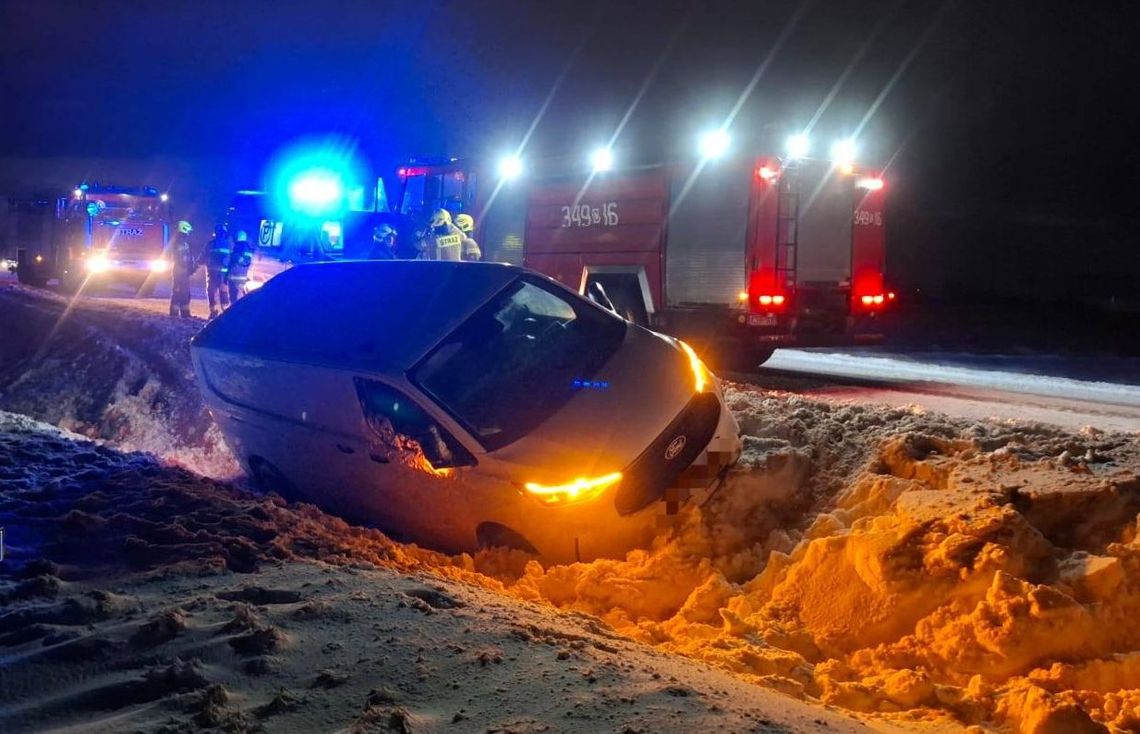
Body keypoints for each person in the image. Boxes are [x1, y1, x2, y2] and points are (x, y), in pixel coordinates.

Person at [168, 220, 198, 319]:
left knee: (185, 294)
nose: (189, 233)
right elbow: (181, 258)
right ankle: (174, 314)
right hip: (180, 272)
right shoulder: (179, 242)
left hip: (183, 271)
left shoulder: (183, 242)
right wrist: (190, 267)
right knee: (178, 292)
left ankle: (185, 314)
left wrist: (192, 266)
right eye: (188, 231)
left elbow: (187, 257)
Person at [204, 224, 232, 318]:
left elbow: (203, 257)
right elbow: (232, 260)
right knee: (223, 293)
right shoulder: (229, 245)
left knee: (212, 293)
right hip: (223, 275)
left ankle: (213, 312)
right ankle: (226, 314)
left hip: (212, 274)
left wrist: (194, 266)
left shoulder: (210, 244)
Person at [227, 230, 254, 302]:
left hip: (233, 278)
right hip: (243, 278)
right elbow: (248, 263)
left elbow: (231, 262)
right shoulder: (249, 249)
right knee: (242, 300)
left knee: (233, 300)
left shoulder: (237, 249)